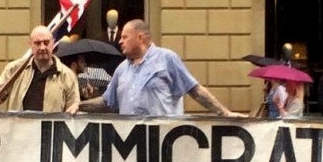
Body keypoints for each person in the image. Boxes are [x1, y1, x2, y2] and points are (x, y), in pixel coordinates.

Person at [76, 19, 237, 116]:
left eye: (125, 37)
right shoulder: (121, 69)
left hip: (163, 145)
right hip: (130, 147)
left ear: (139, 37)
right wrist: (79, 105)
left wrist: (224, 113)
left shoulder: (167, 59)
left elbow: (194, 90)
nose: (120, 41)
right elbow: (107, 102)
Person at [0, 26, 79, 113]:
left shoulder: (67, 76)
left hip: (49, 139)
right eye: (37, 43)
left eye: (46, 42)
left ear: (53, 43)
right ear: (30, 45)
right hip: (18, 138)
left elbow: (73, 110)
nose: (42, 47)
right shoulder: (15, 70)